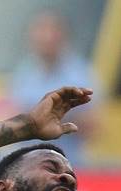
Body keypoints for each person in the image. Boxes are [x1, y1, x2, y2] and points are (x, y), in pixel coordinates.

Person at [10, 10, 97, 163]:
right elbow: (12, 113)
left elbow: (93, 126)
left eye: (52, 30)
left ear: (63, 36)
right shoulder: (25, 72)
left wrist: (57, 115)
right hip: (27, 162)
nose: (46, 37)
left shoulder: (80, 74)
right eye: (40, 30)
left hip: (67, 162)